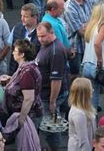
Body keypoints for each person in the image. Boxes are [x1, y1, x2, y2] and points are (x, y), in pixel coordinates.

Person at [35, 22, 68, 150]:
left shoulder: (56, 52)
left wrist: (52, 101)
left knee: (51, 127)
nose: (40, 39)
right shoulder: (46, 45)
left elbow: (56, 80)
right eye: (38, 36)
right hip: (44, 93)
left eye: (43, 36)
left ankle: (55, 148)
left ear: (51, 33)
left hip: (50, 94)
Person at [1, 39, 42, 128]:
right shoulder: (27, 67)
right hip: (25, 114)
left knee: (26, 142)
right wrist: (11, 80)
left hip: (28, 117)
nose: (12, 53)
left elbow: (29, 99)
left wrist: (21, 120)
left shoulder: (27, 72)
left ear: (22, 54)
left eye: (15, 51)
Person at [82, 3, 104, 109]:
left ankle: (93, 124)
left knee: (92, 101)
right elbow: (97, 43)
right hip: (103, 66)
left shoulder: (90, 25)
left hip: (87, 65)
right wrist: (100, 59)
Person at [64, 0, 93, 77]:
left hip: (89, 44)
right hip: (76, 47)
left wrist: (87, 25)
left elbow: (95, 17)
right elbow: (81, 32)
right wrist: (91, 25)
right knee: (76, 74)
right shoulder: (69, 9)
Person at [7, 3, 41, 75]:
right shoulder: (17, 28)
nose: (22, 19)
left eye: (25, 16)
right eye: (21, 16)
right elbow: (12, 50)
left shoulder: (42, 32)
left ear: (35, 17)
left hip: (34, 73)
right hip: (16, 71)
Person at [68, 77, 96, 151]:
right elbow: (83, 141)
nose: (93, 90)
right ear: (84, 93)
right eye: (90, 89)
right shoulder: (79, 114)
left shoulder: (84, 108)